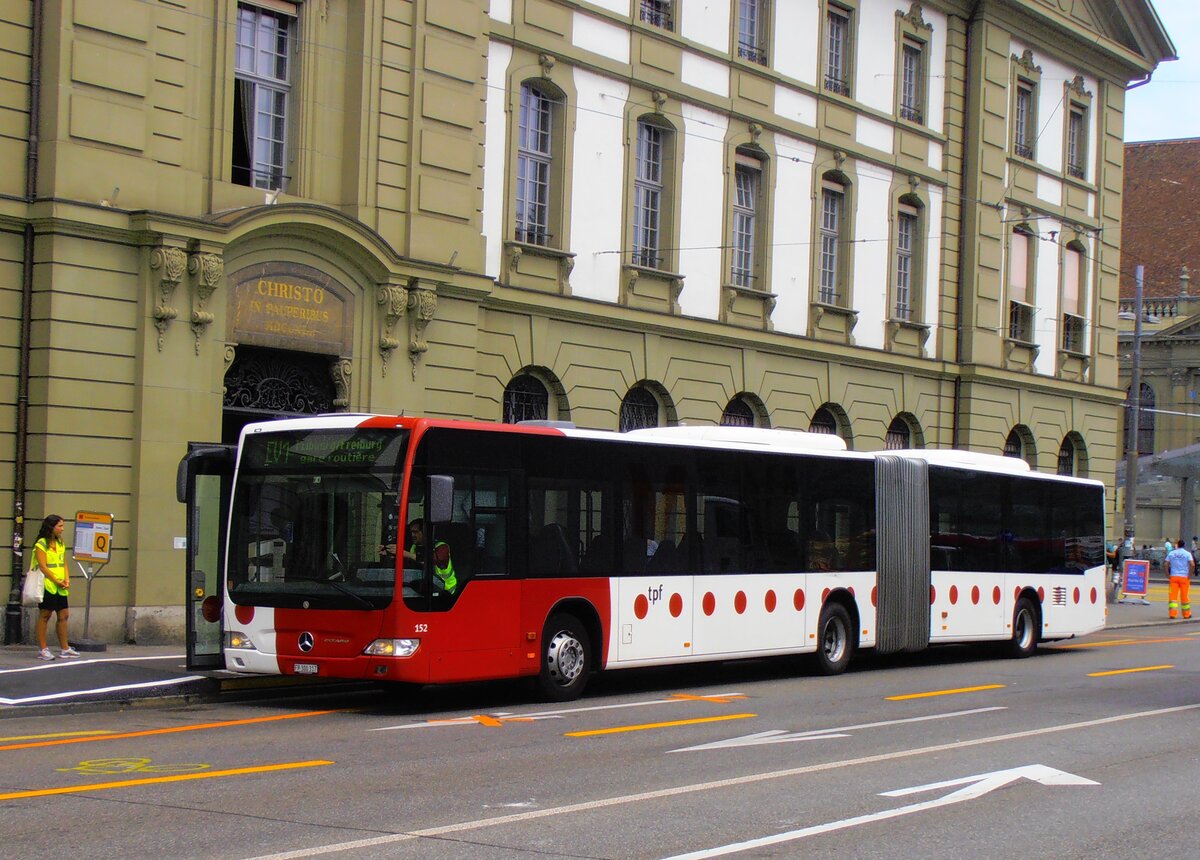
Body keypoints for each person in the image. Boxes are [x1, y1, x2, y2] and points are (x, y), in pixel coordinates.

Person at [32, 514, 79, 660]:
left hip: (60, 585)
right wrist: (56, 580)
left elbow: (63, 563)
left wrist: (66, 579)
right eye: (60, 526)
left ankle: (65, 648)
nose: (62, 529)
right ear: (51, 527)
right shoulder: (41, 544)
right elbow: (43, 566)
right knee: (45, 615)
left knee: (64, 615)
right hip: (48, 585)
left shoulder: (60, 543)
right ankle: (43, 649)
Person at [403, 519, 456, 595]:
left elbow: (431, 560)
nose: (412, 535)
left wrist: (407, 554)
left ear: (424, 532)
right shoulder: (414, 547)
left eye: (415, 532)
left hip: (446, 592)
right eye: (411, 532)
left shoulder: (442, 547)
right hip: (425, 587)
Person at [1163, 538, 1194, 620]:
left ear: (1177, 545)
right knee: (1184, 596)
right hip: (1184, 577)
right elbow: (1192, 565)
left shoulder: (1172, 553)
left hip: (1173, 577)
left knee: (1173, 597)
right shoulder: (1187, 554)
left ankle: (1172, 614)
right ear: (1184, 545)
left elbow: (1166, 564)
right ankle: (1186, 614)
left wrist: (1167, 575)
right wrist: (1189, 575)